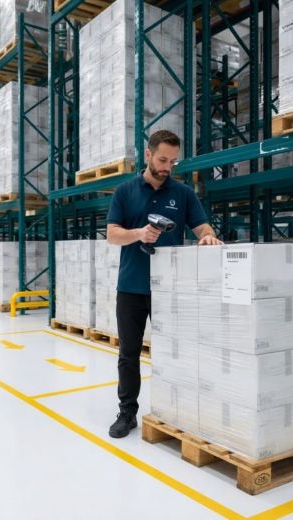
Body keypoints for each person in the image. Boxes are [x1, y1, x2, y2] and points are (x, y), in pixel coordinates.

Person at [105, 129, 223, 439]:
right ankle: (127, 413)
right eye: (162, 159)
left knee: (175, 351)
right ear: (147, 155)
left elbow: (201, 225)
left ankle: (176, 411)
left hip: (169, 290)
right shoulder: (124, 191)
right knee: (128, 354)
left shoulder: (182, 194)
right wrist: (139, 234)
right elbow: (112, 234)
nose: (167, 166)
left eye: (173, 161)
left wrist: (208, 235)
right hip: (130, 287)